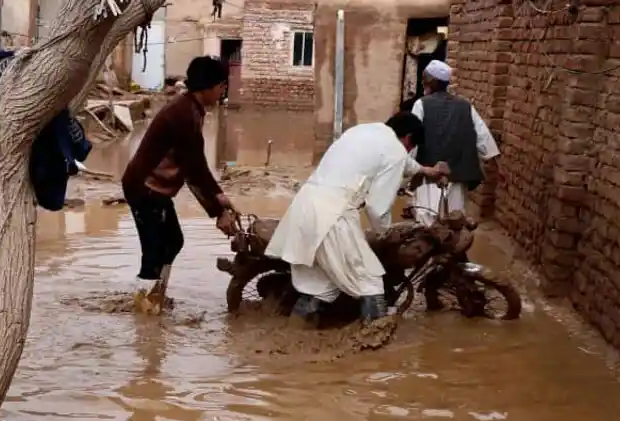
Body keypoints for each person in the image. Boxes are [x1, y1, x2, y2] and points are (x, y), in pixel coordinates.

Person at [264, 113, 450, 323]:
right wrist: (387, 235)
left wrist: (427, 171)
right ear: (408, 138)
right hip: (333, 216)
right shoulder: (396, 150)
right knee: (370, 282)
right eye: (410, 146)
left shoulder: (363, 132)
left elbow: (402, 162)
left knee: (320, 287)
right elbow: (377, 209)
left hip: (304, 207)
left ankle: (292, 336)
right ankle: (373, 345)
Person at [121, 56, 237, 300]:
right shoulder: (183, 114)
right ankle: (145, 314)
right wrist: (218, 212)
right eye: (221, 86)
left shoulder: (191, 108)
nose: (222, 92)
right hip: (145, 188)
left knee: (173, 241)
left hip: (155, 189)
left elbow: (198, 163)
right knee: (155, 251)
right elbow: (193, 168)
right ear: (208, 87)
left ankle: (157, 298)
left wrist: (218, 195)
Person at [409, 59, 499, 225]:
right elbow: (483, 138)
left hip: (429, 176)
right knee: (454, 219)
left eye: (424, 80)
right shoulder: (465, 106)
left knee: (426, 220)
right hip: (456, 175)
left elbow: (412, 141)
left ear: (429, 82)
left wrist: (408, 169)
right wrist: (490, 158)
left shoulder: (421, 104)